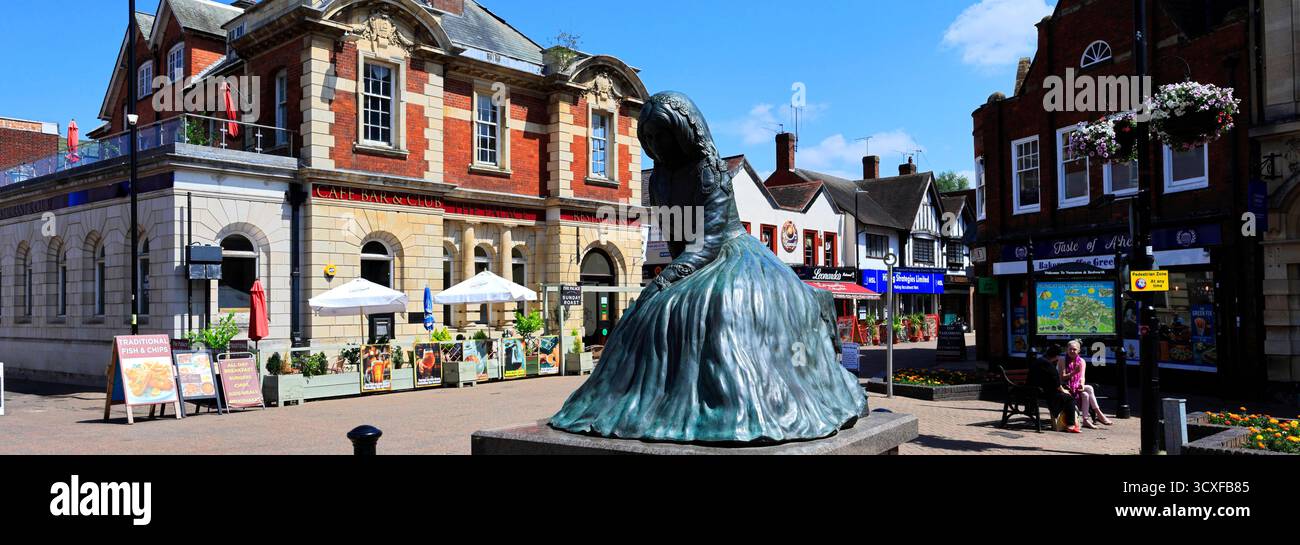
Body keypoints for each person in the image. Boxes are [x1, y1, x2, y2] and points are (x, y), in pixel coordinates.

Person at [549, 92, 867, 443]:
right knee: (647, 313)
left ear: (684, 131)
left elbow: (707, 240)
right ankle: (631, 400)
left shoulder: (710, 171)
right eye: (649, 138)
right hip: (693, 259)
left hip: (730, 253)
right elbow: (676, 239)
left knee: (715, 305)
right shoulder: (658, 179)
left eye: (661, 135)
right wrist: (668, 277)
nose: (656, 144)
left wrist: (670, 278)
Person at [1059, 340, 1114, 428]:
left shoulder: (1081, 361)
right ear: (1067, 350)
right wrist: (1073, 373)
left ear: (1079, 351)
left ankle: (1085, 420)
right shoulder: (1062, 360)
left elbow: (1082, 377)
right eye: (1070, 349)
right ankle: (1099, 414)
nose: (1072, 351)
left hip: (1076, 386)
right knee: (1090, 388)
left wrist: (1081, 384)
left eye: (1074, 349)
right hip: (1066, 387)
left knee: (1085, 394)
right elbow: (1062, 378)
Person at [1029, 345, 1079, 433]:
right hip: (1040, 391)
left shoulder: (1040, 360)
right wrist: (1064, 390)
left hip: (1034, 389)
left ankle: (1068, 422)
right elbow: (1056, 382)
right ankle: (1070, 425)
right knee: (1069, 398)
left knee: (1064, 396)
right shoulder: (1048, 364)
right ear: (1056, 356)